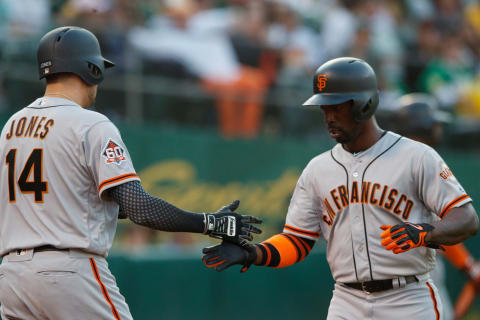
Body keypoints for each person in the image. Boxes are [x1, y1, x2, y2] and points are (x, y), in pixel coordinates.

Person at [0, 26, 262, 320]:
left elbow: (63, 198)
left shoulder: (11, 127)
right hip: (67, 273)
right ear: (92, 70)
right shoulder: (92, 124)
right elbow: (141, 209)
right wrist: (210, 223)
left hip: (12, 277)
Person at [202, 57, 479, 319]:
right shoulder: (318, 169)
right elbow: (297, 241)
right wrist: (254, 253)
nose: (328, 116)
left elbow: (466, 219)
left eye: (336, 106)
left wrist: (424, 233)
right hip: (347, 301)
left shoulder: (417, 156)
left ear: (364, 104)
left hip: (408, 298)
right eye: (324, 107)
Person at [391, 93, 480, 320]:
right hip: (417, 273)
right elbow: (441, 226)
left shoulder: (387, 163)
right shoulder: (419, 165)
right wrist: (468, 266)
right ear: (420, 127)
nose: (438, 129)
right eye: (434, 123)